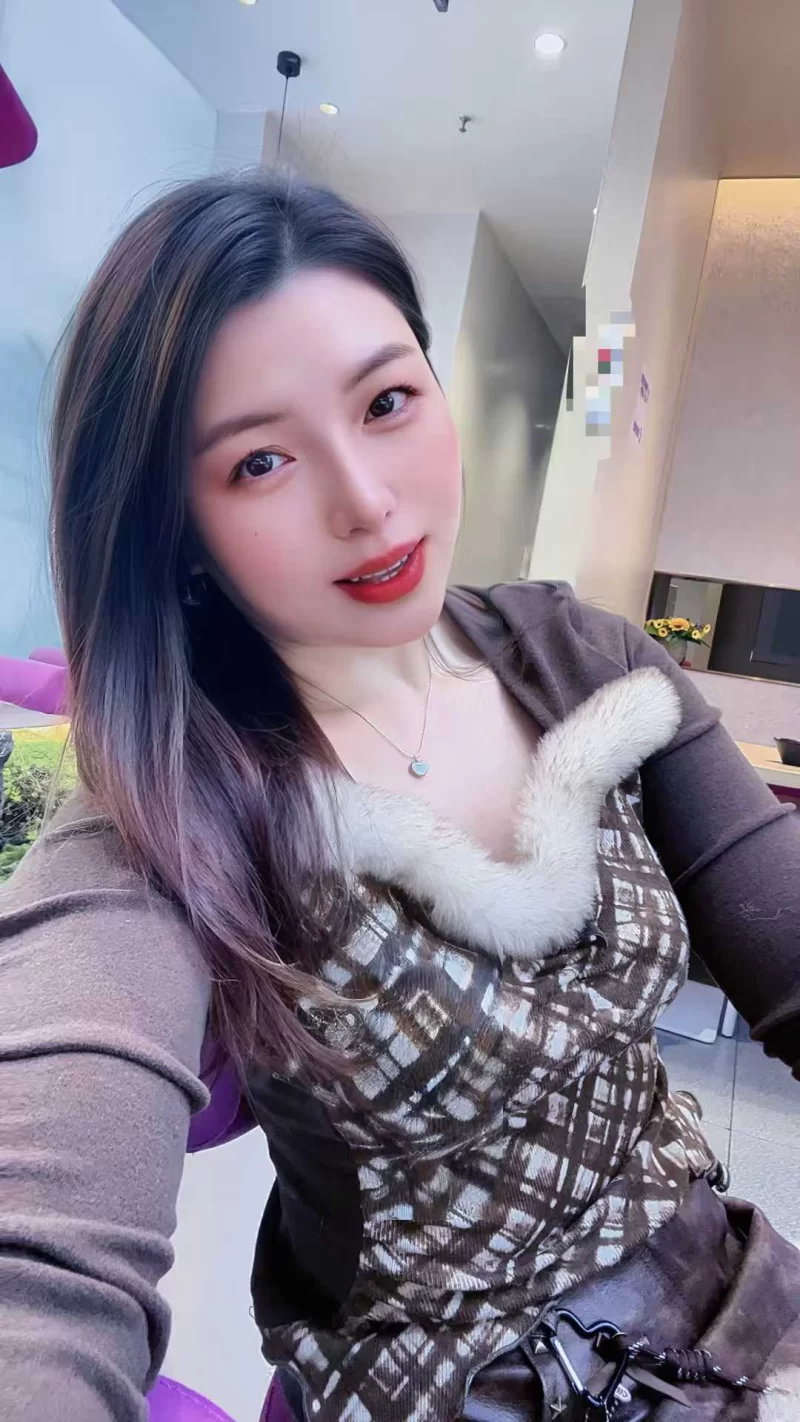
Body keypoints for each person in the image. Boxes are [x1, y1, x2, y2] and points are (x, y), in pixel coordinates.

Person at [1, 175, 799, 1422]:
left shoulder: (582, 660)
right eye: (259, 461)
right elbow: (39, 1274)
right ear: (177, 527)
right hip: (448, 1385)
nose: (365, 502)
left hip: (716, 1313)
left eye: (385, 402)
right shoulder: (169, 809)